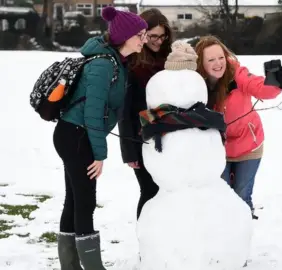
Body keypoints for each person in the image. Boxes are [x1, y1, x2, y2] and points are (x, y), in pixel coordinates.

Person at [53, 6, 147, 270]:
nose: (144, 39)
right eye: (140, 34)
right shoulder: (104, 65)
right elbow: (93, 114)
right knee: (84, 201)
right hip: (76, 136)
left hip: (76, 134)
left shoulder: (115, 61)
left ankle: (70, 266)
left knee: (75, 199)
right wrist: (99, 154)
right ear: (125, 37)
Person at [194, 36, 282, 218]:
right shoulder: (197, 84)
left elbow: (259, 87)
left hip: (248, 144)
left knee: (241, 195)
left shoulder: (237, 74)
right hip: (217, 148)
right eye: (211, 60)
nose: (218, 63)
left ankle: (242, 236)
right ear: (202, 63)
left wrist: (278, 82)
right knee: (221, 196)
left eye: (221, 57)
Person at [118, 8, 173, 220]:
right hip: (140, 138)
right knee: (150, 191)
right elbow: (124, 110)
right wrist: (129, 151)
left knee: (166, 191)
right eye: (153, 36)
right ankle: (145, 238)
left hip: (167, 135)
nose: (158, 41)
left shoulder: (170, 60)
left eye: (162, 36)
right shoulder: (132, 63)